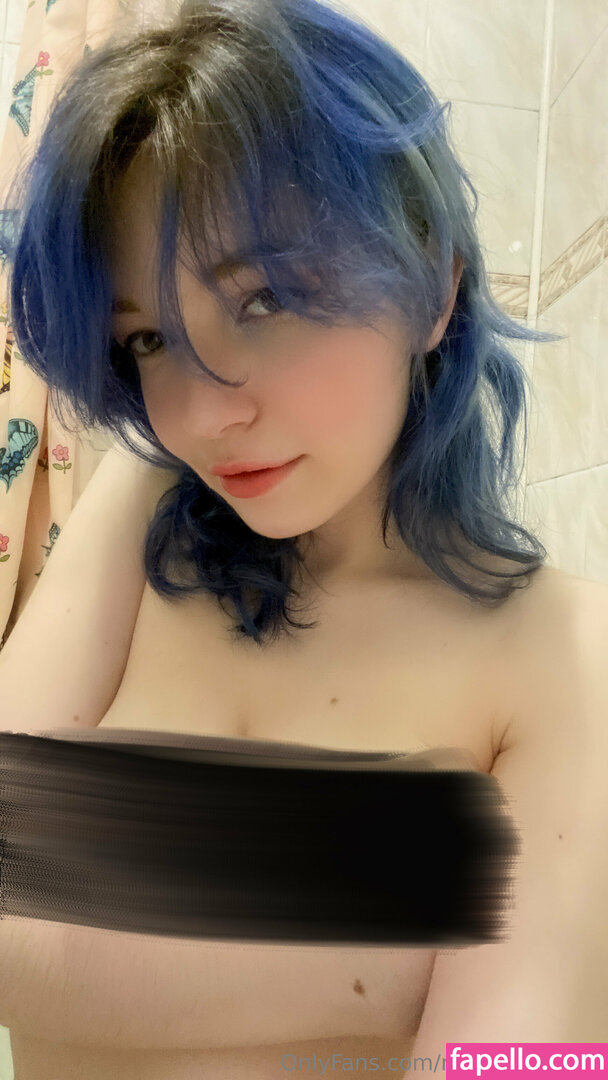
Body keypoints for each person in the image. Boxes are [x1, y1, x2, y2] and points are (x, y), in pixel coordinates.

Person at [0, 0, 606, 1076]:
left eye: (265, 299)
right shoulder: (144, 510)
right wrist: (399, 937)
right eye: (149, 338)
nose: (200, 414)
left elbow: (513, 1065)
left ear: (431, 284)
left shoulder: (567, 650)